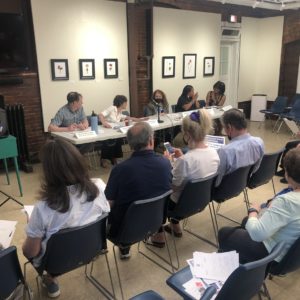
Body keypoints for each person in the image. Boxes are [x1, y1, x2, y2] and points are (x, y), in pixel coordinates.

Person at [22, 138, 110, 298]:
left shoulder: (43, 208)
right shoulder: (98, 187)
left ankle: (51, 278)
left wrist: (32, 228)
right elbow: (105, 217)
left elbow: (30, 252)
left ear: (48, 172)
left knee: (35, 243)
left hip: (56, 262)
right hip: (92, 251)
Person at [149, 109, 220, 245]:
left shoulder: (186, 161)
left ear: (186, 135)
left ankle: (158, 234)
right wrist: (180, 159)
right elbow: (195, 171)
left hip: (179, 205)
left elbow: (172, 187)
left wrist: (166, 162)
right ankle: (175, 225)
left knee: (155, 187)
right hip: (200, 201)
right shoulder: (214, 154)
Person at [218, 147, 300, 264]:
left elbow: (258, 234)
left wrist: (253, 210)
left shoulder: (287, 201)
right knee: (247, 221)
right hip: (291, 253)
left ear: (288, 174)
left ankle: (233, 269)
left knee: (225, 233)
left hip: (274, 254)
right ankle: (242, 262)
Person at [105, 122, 172, 259]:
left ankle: (123, 248)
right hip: (156, 222)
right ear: (151, 140)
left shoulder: (120, 170)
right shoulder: (165, 163)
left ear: (130, 145)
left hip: (124, 231)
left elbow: (108, 204)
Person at [216, 108, 264, 186]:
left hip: (225, 189)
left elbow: (217, 182)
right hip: (244, 183)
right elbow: (255, 169)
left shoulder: (225, 151)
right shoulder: (259, 142)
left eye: (224, 128)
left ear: (229, 127)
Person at [98, 95, 148, 167]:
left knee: (118, 140)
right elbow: (100, 115)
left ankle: (114, 158)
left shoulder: (120, 112)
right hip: (106, 131)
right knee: (109, 141)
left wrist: (141, 120)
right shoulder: (112, 108)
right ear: (121, 103)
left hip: (113, 131)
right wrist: (104, 123)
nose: (126, 104)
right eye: (126, 102)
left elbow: (129, 118)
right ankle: (104, 159)